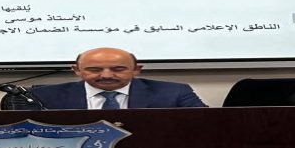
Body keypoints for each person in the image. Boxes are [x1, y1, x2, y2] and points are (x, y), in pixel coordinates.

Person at [29, 47, 207, 109]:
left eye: (118, 69)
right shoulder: (44, 96)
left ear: (136, 70)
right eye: (94, 69)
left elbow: (207, 126)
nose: (106, 75)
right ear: (77, 70)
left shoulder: (174, 93)